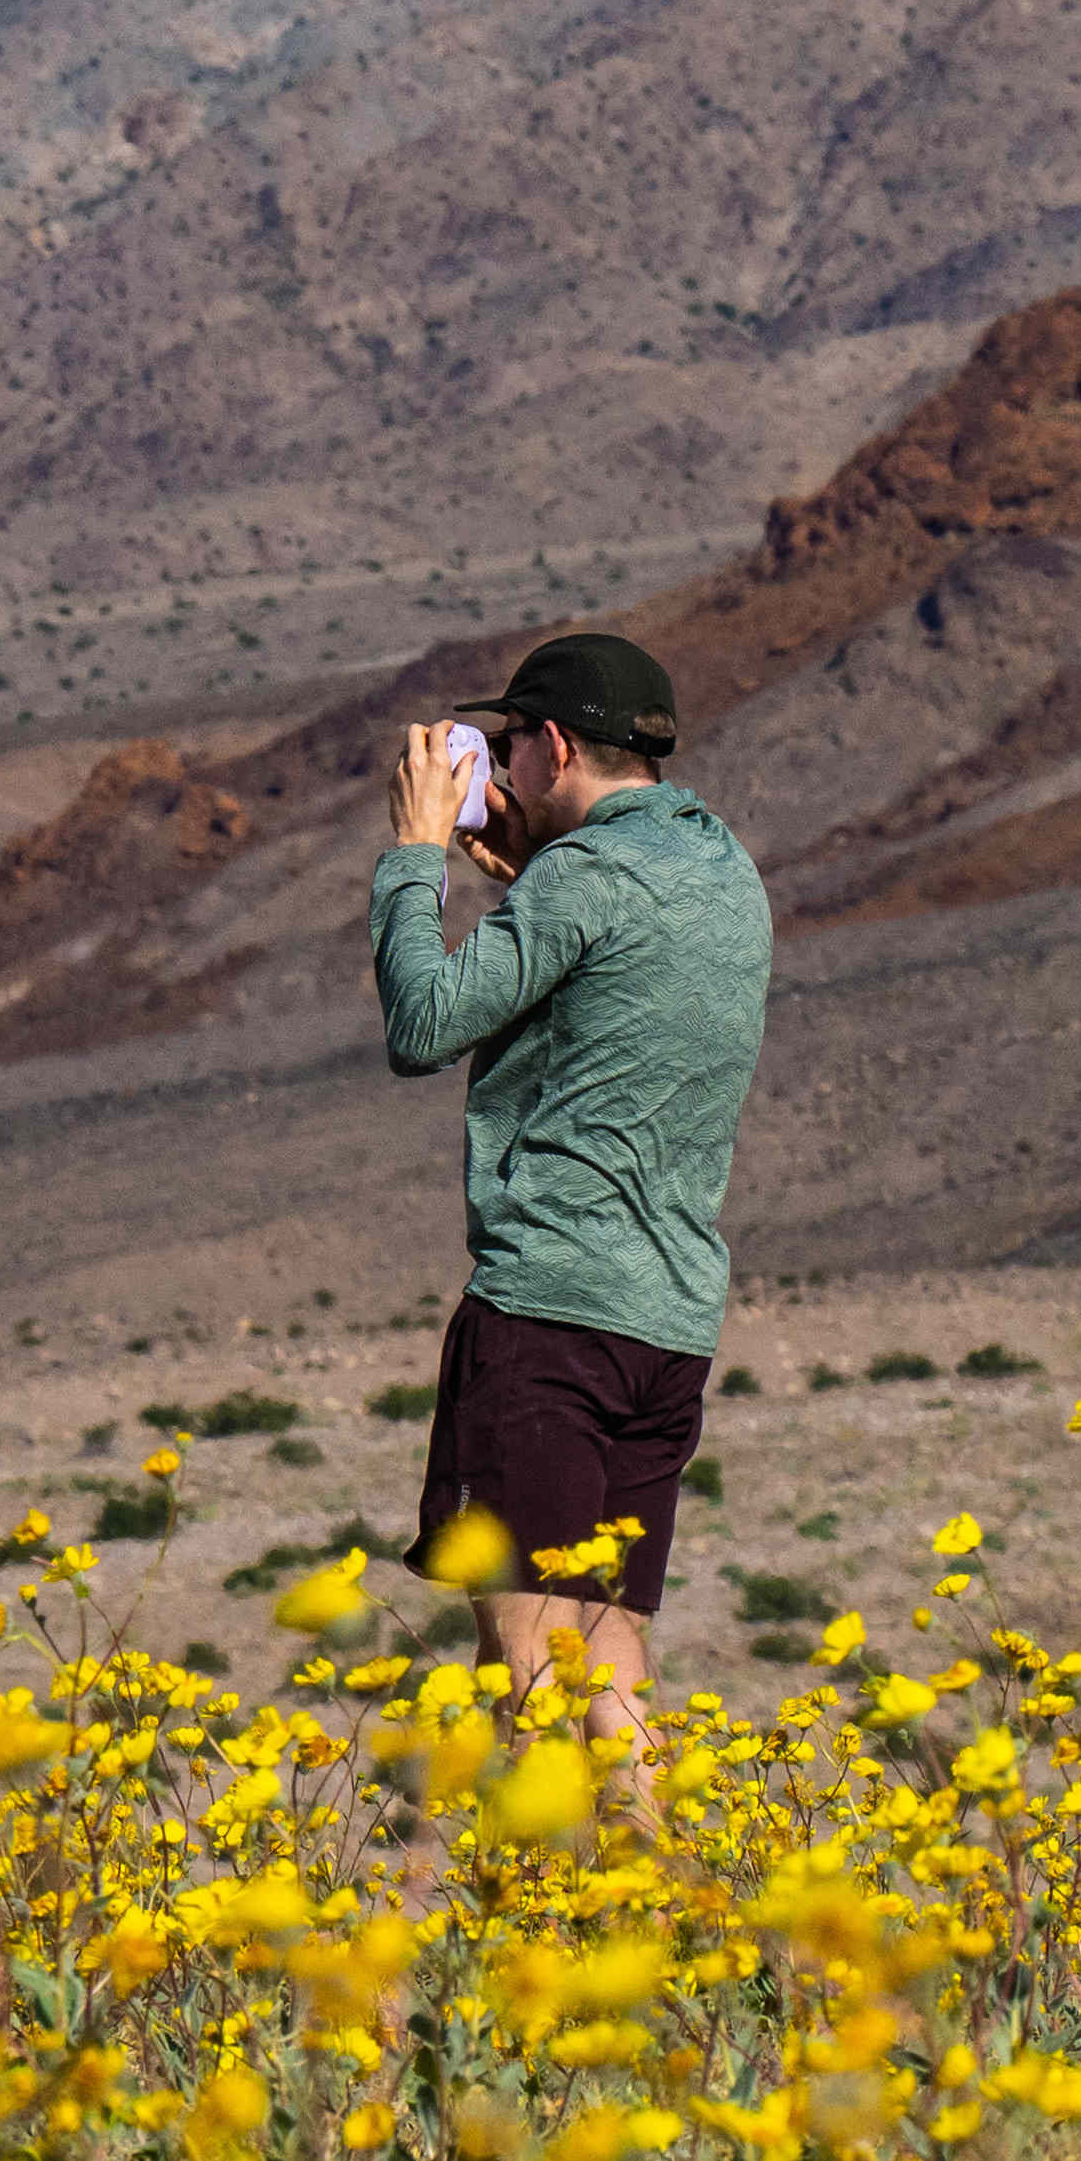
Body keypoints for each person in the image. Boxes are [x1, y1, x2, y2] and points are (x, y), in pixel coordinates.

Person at [372, 629, 772, 1780]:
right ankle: (651, 1896)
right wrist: (531, 873)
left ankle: (553, 1907)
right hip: (669, 1325)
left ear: (551, 745)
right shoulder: (722, 869)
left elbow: (422, 1024)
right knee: (610, 1634)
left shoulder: (584, 880)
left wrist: (414, 855)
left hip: (549, 1311)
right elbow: (618, 974)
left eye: (506, 747)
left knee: (523, 1632)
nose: (495, 772)